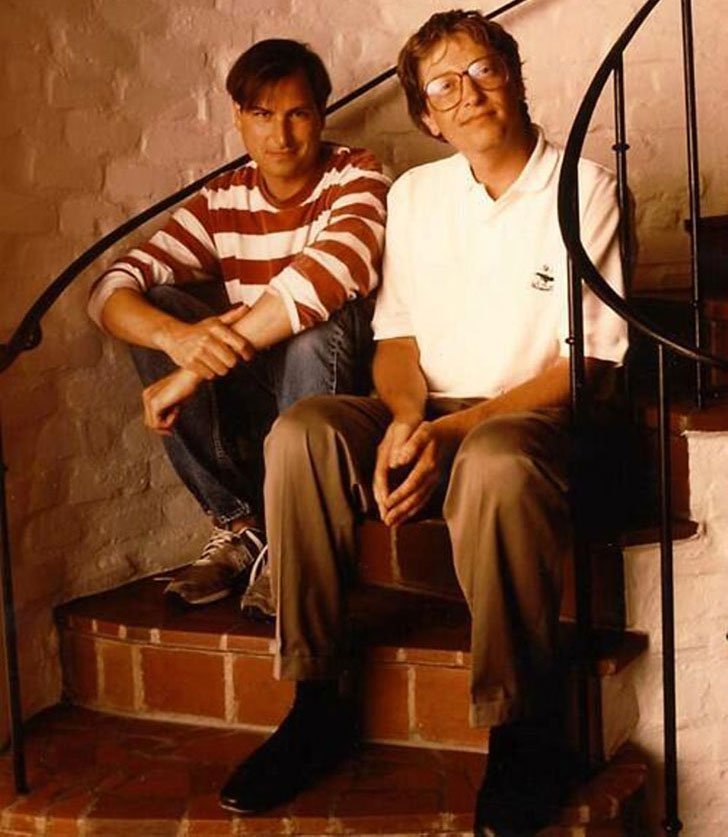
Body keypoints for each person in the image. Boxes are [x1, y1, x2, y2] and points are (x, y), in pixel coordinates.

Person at [218, 10, 628, 833]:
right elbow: (395, 336)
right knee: (301, 432)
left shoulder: (584, 187)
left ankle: (522, 730)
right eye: (443, 85)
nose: (467, 92)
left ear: (513, 77)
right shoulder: (414, 194)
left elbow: (585, 364)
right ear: (427, 116)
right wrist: (408, 419)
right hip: (429, 404)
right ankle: (317, 699)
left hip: (534, 414)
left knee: (494, 462)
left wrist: (450, 435)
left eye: (483, 70)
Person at [88, 39, 390, 611]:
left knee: (322, 321)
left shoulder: (359, 173)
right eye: (262, 115)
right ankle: (242, 526)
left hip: (335, 401)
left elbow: (335, 268)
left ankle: (297, 541)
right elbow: (109, 289)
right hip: (252, 391)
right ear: (237, 117)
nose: (281, 136)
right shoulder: (222, 198)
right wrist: (178, 340)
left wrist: (186, 375)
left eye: (298, 114)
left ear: (321, 114)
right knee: (162, 305)